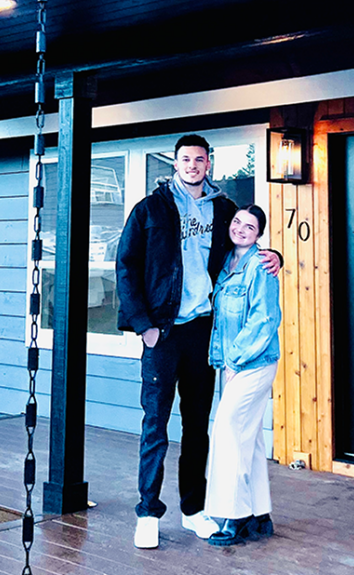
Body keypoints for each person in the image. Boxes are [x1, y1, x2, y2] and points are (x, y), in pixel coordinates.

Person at [116, 134, 280, 549]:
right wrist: (143, 325)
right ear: (173, 163)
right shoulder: (150, 209)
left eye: (200, 160)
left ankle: (192, 510)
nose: (193, 165)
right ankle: (148, 513)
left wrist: (274, 255)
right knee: (155, 424)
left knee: (197, 427)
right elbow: (126, 266)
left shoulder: (223, 209)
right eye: (185, 159)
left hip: (204, 333)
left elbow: (243, 246)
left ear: (210, 164)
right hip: (163, 332)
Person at [204, 204, 281, 546]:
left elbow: (265, 319)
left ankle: (234, 515)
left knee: (227, 431)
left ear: (259, 234)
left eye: (249, 226)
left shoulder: (261, 265)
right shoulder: (226, 263)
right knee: (249, 437)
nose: (240, 229)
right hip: (231, 363)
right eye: (237, 222)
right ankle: (261, 515)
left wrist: (235, 361)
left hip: (253, 362)